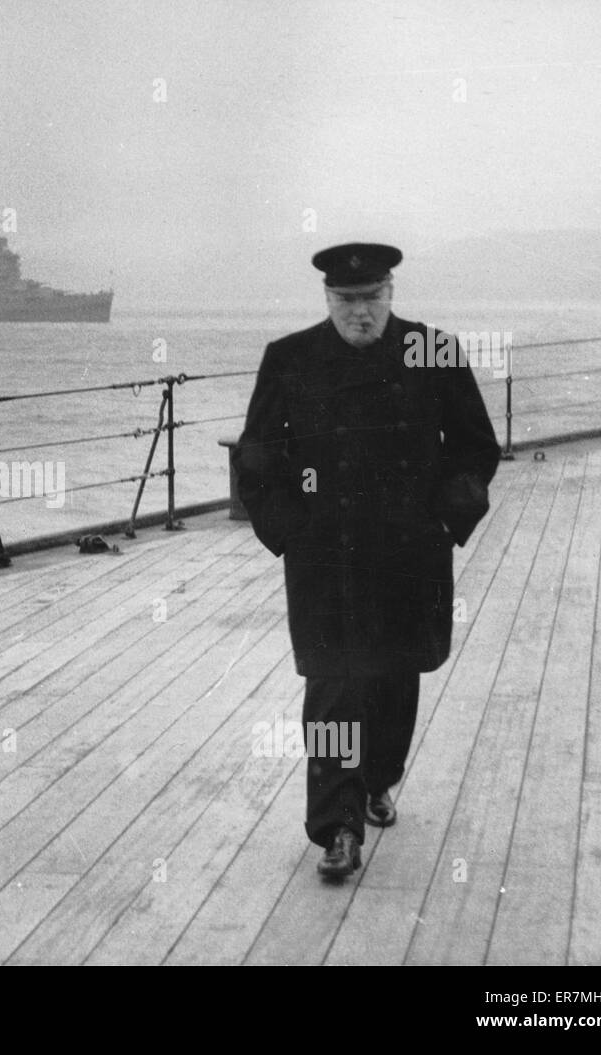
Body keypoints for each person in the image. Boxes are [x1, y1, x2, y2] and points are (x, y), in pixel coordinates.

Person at [231, 243, 501, 879]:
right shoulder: (289, 357)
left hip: (408, 553)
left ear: (391, 294)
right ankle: (337, 828)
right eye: (346, 301)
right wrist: (286, 529)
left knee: (392, 679)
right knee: (332, 690)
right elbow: (257, 458)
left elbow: (476, 449)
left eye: (371, 299)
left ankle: (379, 778)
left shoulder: (430, 350)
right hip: (327, 558)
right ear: (328, 300)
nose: (360, 313)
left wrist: (445, 516)